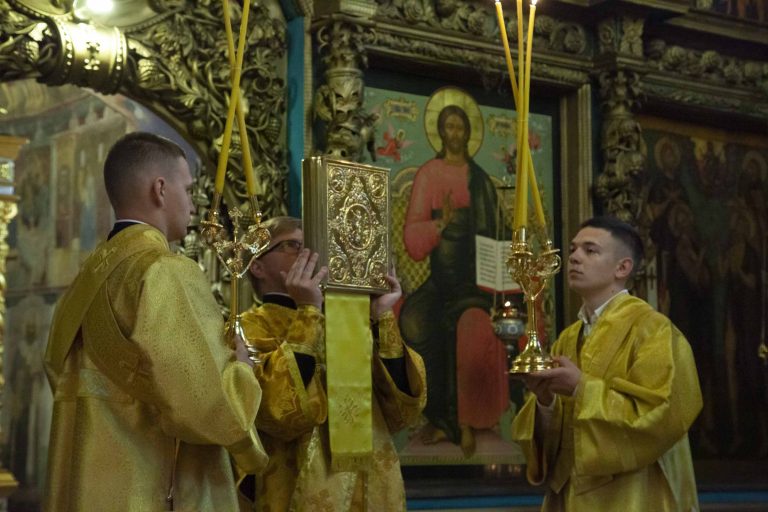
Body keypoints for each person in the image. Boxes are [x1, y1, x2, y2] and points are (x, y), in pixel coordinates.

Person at [44, 132, 267, 511]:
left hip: (84, 485)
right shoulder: (164, 270)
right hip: (150, 488)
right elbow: (206, 406)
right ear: (160, 189)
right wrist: (241, 373)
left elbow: (56, 369)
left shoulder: (85, 280)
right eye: (188, 189)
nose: (193, 204)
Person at [511, 216, 703, 511]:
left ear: (622, 268)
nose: (575, 257)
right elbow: (555, 443)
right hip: (570, 498)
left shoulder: (654, 332)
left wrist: (581, 388)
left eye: (590, 250)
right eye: (573, 249)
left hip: (633, 497)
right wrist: (546, 402)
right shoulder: (568, 338)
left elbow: (661, 417)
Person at [241, 216, 426, 511]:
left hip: (373, 488)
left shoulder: (348, 322)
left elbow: (402, 411)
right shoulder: (248, 327)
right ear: (257, 266)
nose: (308, 254)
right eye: (293, 245)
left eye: (312, 246)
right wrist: (308, 311)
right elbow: (277, 412)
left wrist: (381, 316)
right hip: (296, 488)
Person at [399, 103, 508, 456]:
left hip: (475, 284)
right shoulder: (429, 174)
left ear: (469, 133)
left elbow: (498, 236)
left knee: (467, 329)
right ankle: (438, 417)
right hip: (440, 282)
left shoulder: (480, 181)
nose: (455, 134)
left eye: (461, 127)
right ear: (440, 132)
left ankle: (464, 422)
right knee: (413, 322)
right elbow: (413, 240)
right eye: (449, 126)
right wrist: (440, 224)